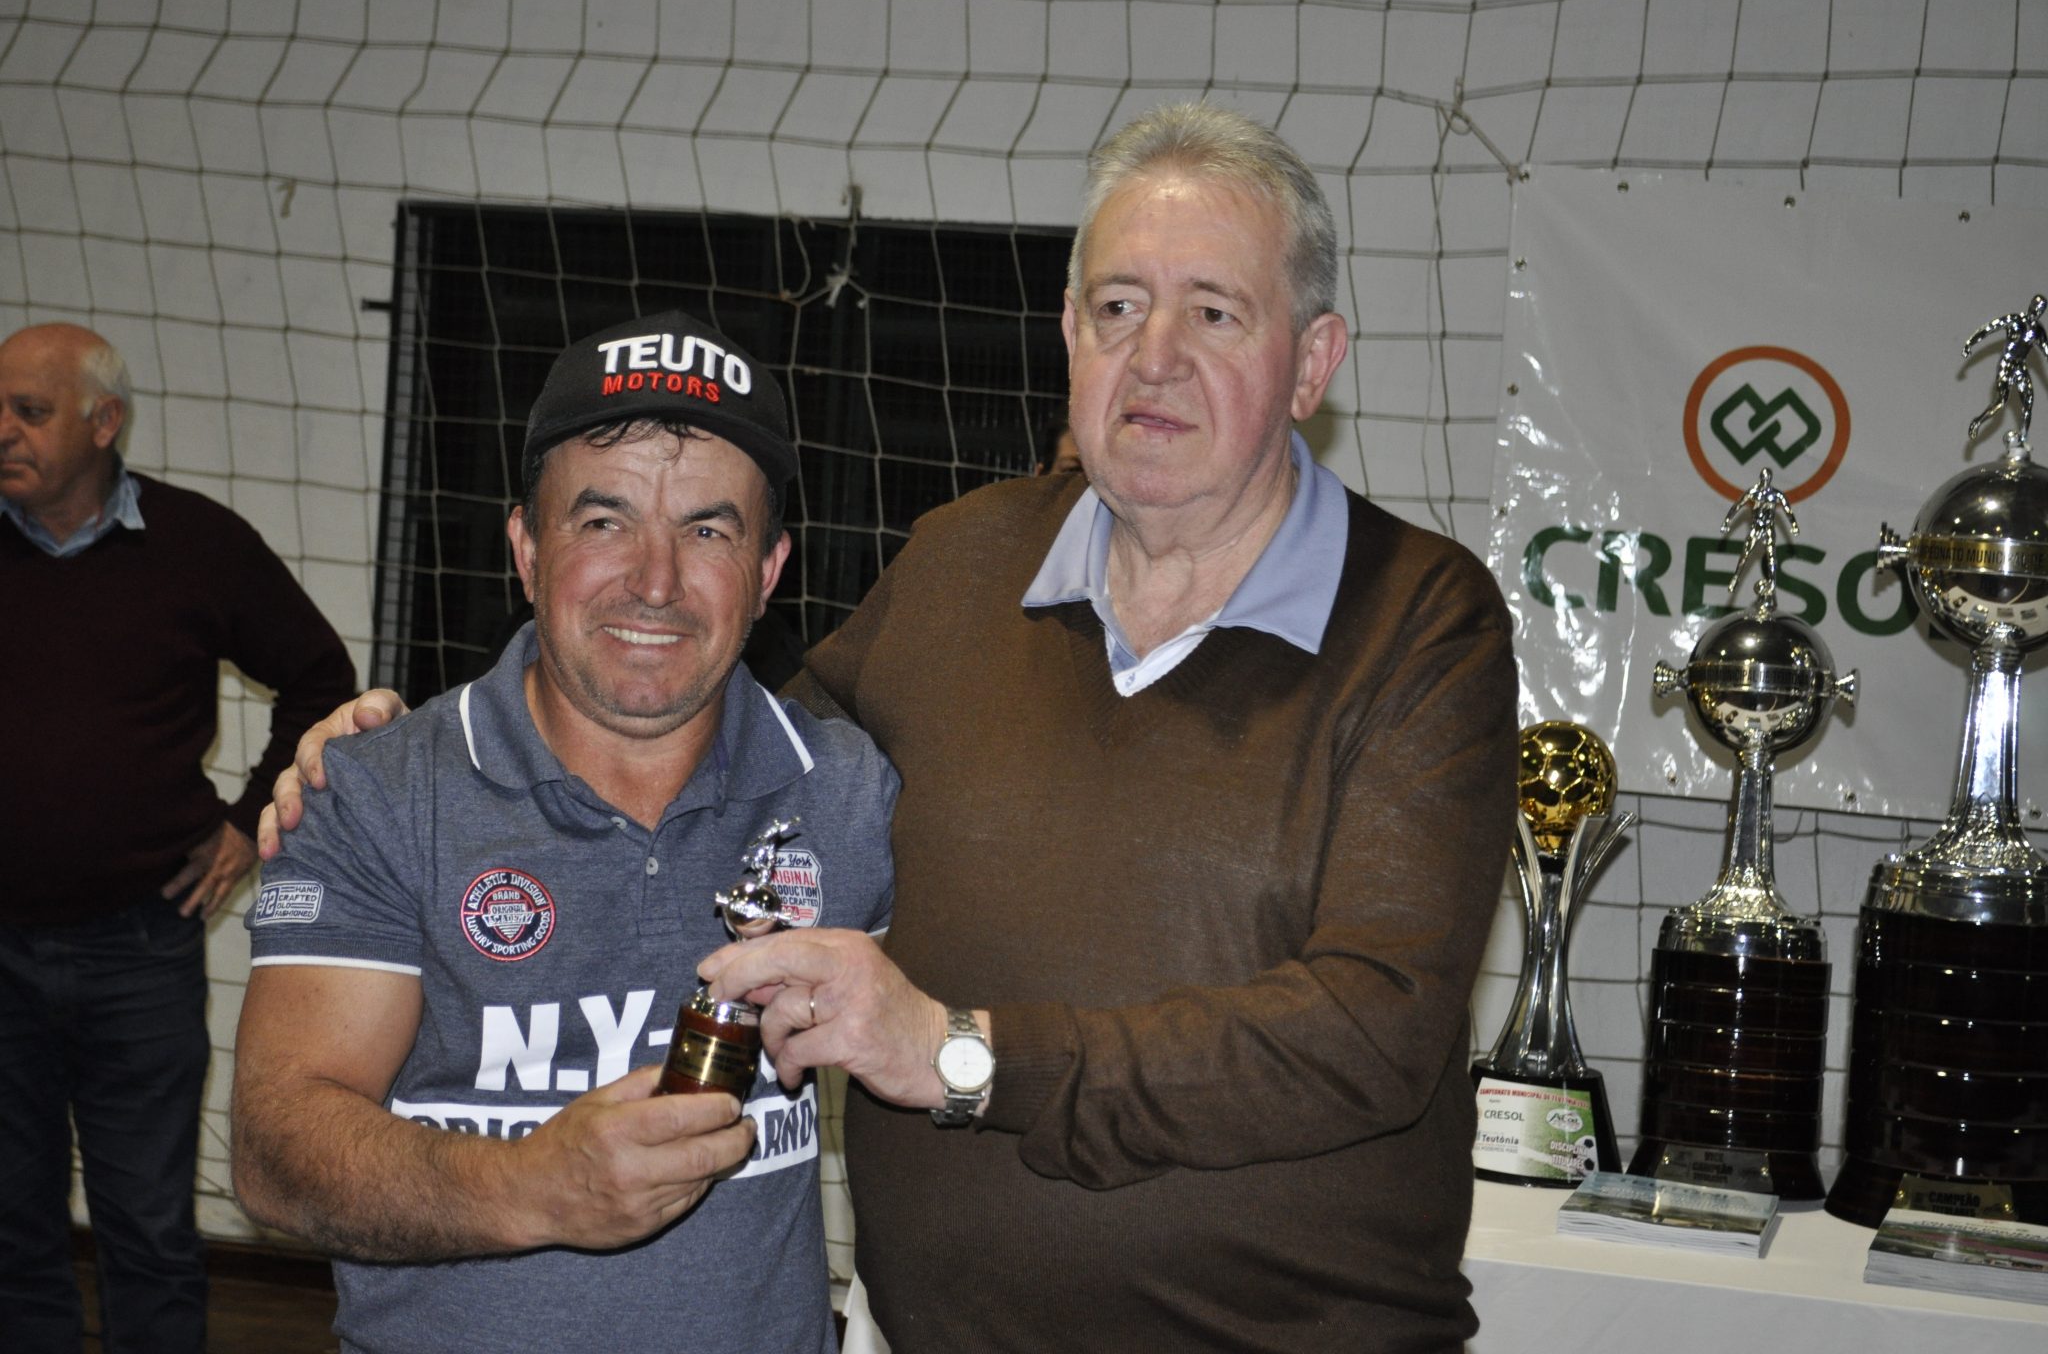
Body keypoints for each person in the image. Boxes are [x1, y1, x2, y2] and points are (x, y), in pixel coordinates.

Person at [269, 103, 1518, 1351]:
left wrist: (960, 1054)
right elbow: (721, 733)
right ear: (1069, 335)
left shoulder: (1417, 618)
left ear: (1311, 363)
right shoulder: (964, 563)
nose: (1154, 358)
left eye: (1213, 313)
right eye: (1119, 306)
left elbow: (1377, 1028)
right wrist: (392, 757)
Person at [230, 310, 897, 1354]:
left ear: (768, 572)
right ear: (527, 549)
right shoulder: (377, 791)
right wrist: (533, 1188)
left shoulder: (850, 794)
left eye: (708, 530)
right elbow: (276, 1151)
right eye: (603, 521)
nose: (655, 581)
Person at [0, 322, 356, 1354]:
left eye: (30, 411)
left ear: (104, 422)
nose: (4, 431)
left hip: (139, 945)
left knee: (148, 1225)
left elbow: (321, 680)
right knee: (10, 1224)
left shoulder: (198, 543)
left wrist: (247, 824)